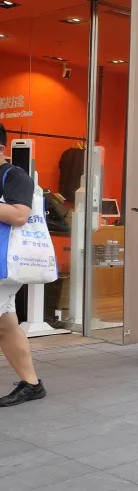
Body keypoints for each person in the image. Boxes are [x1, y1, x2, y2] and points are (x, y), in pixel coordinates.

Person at [0, 124, 45, 407]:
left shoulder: (15, 176)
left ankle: (32, 384)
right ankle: (31, 384)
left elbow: (19, 215)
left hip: (4, 263)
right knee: (6, 324)